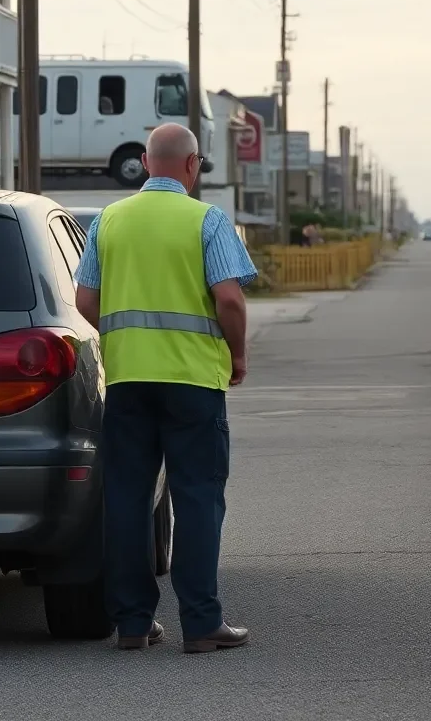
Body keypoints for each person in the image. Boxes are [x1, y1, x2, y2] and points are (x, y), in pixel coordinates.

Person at [74, 123, 258, 654]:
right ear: (192, 165)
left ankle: (132, 623)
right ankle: (201, 625)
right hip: (192, 382)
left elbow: (87, 301)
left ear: (146, 162)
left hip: (129, 381)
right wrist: (237, 353)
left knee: (128, 501)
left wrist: (124, 338)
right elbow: (230, 299)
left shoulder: (110, 220)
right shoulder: (206, 219)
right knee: (198, 498)